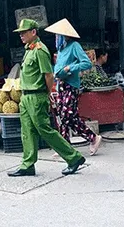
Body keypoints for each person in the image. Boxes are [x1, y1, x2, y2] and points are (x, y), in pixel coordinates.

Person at [7, 19, 86, 178]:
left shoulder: (40, 50)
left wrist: (48, 93)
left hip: (37, 96)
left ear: (33, 32)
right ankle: (27, 164)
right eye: (20, 32)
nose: (21, 35)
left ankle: (74, 157)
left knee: (45, 130)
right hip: (26, 97)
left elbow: (48, 75)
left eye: (24, 32)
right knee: (27, 131)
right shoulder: (29, 49)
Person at [45, 18, 102, 156]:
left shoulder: (74, 46)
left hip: (71, 86)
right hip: (61, 86)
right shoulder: (61, 50)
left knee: (68, 116)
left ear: (65, 35)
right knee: (61, 117)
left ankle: (93, 137)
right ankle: (65, 148)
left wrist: (71, 67)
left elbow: (87, 63)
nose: (56, 38)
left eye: (58, 35)